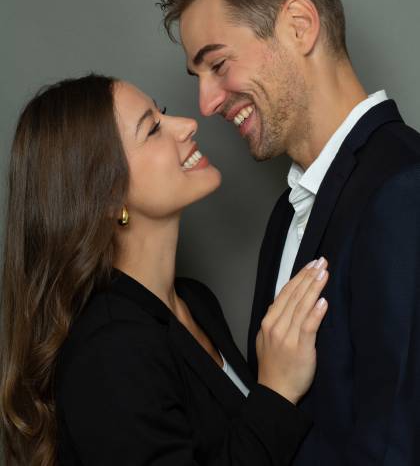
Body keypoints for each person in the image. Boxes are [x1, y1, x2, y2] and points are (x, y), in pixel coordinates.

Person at [159, 0, 420, 465]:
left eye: (218, 64)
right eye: (198, 74)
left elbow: (396, 442)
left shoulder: (404, 190)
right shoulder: (288, 213)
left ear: (300, 26)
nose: (205, 103)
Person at [0, 74, 329, 466]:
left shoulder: (196, 301)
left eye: (163, 113)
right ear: (107, 195)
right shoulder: (109, 350)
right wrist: (277, 391)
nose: (188, 125)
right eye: (153, 129)